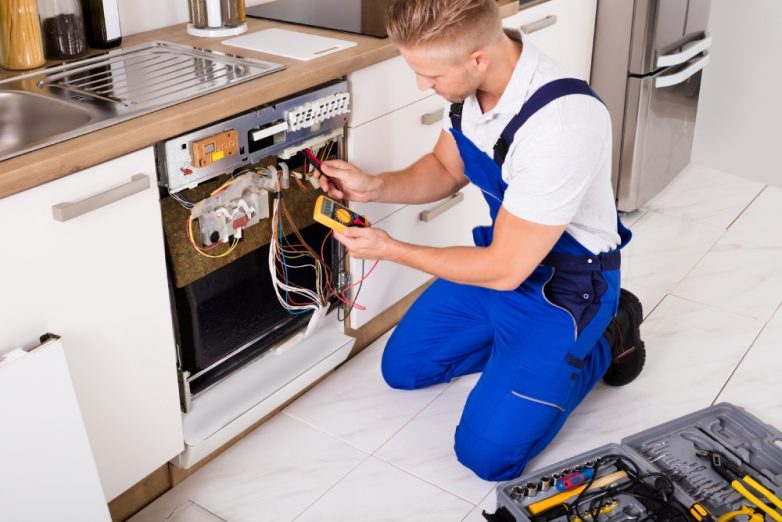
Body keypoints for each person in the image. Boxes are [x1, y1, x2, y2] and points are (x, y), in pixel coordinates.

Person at [317, 0, 646, 482]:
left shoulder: (562, 124)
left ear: (477, 59)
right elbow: (446, 169)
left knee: (488, 457)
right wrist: (373, 186)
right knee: (404, 369)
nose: (421, 86)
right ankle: (524, 362)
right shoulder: (472, 88)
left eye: (430, 75)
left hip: (565, 290)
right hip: (504, 260)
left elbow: (506, 268)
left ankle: (611, 329)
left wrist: (393, 250)